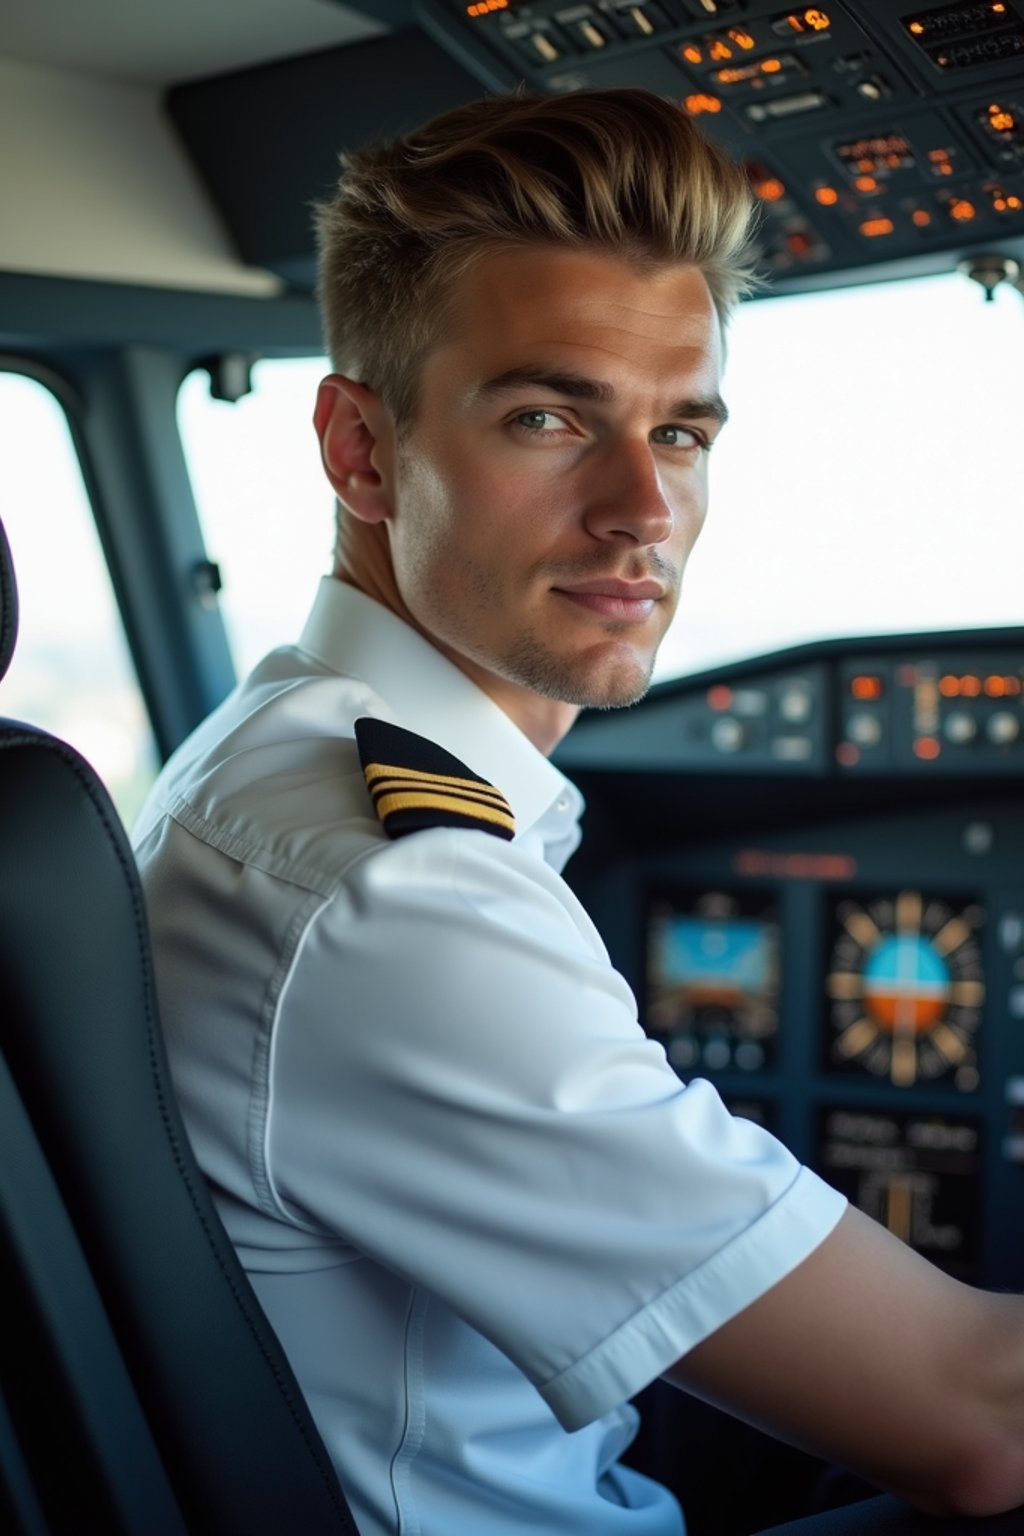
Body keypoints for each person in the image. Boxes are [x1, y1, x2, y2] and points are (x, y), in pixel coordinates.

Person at [133, 89, 1024, 1535]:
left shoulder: (275, 760)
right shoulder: (393, 890)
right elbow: (976, 1422)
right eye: (550, 416)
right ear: (362, 449)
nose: (641, 510)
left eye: (680, 432)